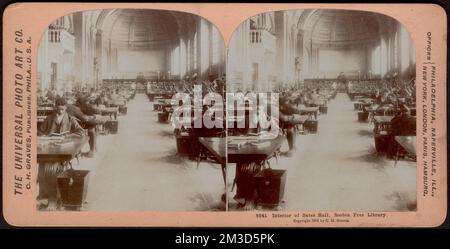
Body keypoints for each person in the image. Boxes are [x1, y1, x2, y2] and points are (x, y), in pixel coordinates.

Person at [37, 97, 86, 210]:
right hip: (49, 147)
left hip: (63, 148)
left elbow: (81, 132)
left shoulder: (70, 118)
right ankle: (45, 196)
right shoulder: (49, 118)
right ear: (55, 108)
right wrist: (45, 136)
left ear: (66, 108)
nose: (59, 112)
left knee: (51, 168)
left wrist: (67, 136)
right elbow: (40, 131)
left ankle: (54, 198)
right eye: (58, 109)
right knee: (43, 167)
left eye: (62, 110)